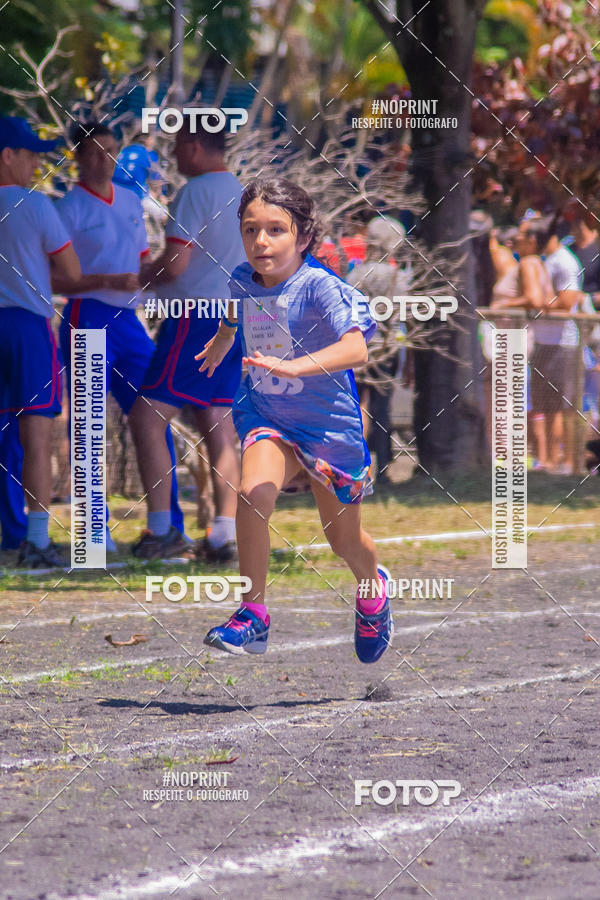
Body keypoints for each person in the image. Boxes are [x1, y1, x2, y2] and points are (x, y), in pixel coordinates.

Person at [195, 177, 392, 664]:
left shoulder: (321, 286)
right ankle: (253, 614)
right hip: (266, 414)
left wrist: (295, 366)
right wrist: (223, 338)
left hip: (327, 430)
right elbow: (236, 309)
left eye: (275, 230)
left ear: (303, 236)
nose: (261, 241)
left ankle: (373, 587)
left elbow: (357, 348)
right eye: (250, 229)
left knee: (344, 542)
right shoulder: (242, 278)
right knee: (252, 491)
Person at [55, 121, 184, 551]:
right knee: (89, 423)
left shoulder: (130, 200)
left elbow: (143, 261)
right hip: (87, 314)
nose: (104, 160)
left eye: (110, 150)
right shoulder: (67, 209)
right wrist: (106, 280)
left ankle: (165, 527)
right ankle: (94, 533)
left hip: (129, 321)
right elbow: (55, 279)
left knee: (154, 413)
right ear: (77, 157)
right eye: (94, 151)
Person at [128, 118, 245, 561]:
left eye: (177, 146)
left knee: (146, 417)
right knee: (218, 422)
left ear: (194, 146)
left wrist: (141, 275)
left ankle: (161, 531)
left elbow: (175, 264)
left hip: (194, 316)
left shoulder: (195, 191)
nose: (173, 155)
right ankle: (223, 535)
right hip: (233, 315)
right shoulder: (241, 191)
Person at [0, 116, 81, 566]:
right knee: (36, 434)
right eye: (30, 154)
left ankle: (14, 535)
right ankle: (36, 541)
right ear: (7, 156)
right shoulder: (35, 205)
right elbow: (70, 271)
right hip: (28, 326)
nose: (36, 164)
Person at [347, 215, 409, 485]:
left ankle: (356, 467)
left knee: (355, 406)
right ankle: (383, 467)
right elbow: (403, 316)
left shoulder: (354, 274)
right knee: (381, 408)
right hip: (385, 350)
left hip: (357, 348)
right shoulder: (396, 277)